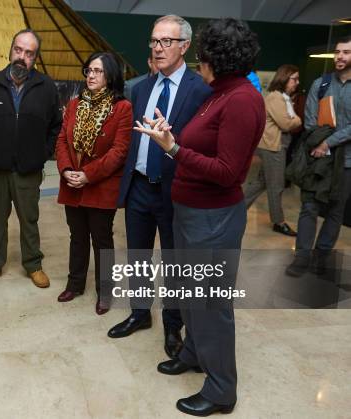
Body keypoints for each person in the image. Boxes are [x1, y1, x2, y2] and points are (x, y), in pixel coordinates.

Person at [134, 18, 264, 416]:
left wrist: (172, 148)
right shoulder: (217, 93)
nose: (199, 61)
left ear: (215, 58)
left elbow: (227, 171)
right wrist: (169, 134)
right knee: (188, 296)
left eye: (203, 54)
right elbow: (201, 141)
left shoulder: (241, 99)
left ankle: (222, 389)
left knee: (210, 306)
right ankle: (191, 353)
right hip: (190, 214)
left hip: (213, 219)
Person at [107, 15, 212, 361]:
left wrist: (174, 140)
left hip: (173, 190)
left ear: (185, 46)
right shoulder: (141, 88)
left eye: (166, 41)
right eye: (154, 41)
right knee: (137, 256)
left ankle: (172, 323)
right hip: (138, 186)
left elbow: (203, 146)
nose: (157, 47)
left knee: (173, 262)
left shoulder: (200, 92)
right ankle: (139, 313)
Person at [0, 29, 62, 288]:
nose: (22, 57)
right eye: (18, 50)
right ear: (10, 50)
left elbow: (56, 126)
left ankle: (33, 264)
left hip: (29, 170)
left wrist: (42, 153)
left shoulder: (46, 88)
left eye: (29, 53)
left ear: (35, 58)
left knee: (29, 219)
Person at [55, 52, 132, 315]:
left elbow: (119, 152)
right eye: (89, 70)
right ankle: (75, 284)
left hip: (101, 184)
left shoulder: (122, 108)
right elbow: (62, 140)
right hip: (71, 183)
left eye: (98, 71)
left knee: (101, 239)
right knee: (77, 237)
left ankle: (105, 292)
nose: (91, 75)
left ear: (110, 76)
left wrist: (88, 174)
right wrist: (66, 170)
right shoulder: (75, 103)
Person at [286, 35, 351, 276]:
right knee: (309, 208)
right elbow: (311, 122)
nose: (340, 57)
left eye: (346, 52)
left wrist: (329, 141)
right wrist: (322, 142)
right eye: (338, 52)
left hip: (346, 162)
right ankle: (301, 257)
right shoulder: (320, 84)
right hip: (318, 159)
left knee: (335, 210)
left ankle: (322, 255)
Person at [244, 64, 302, 236]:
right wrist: (298, 120)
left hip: (274, 145)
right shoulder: (276, 97)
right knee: (276, 186)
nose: (297, 83)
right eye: (294, 79)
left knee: (260, 182)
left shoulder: (283, 97)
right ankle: (279, 222)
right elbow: (287, 123)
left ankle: (234, 210)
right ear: (284, 78)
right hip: (273, 147)